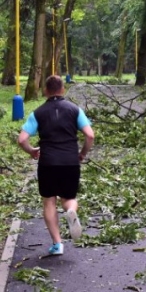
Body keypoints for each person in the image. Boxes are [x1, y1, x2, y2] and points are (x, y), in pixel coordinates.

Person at [17, 75, 95, 256]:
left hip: (48, 162)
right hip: (70, 161)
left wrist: (32, 151)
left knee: (49, 201)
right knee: (68, 197)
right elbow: (90, 135)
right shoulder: (75, 110)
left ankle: (57, 244)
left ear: (45, 91)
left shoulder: (37, 113)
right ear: (63, 89)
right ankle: (70, 211)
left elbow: (22, 139)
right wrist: (82, 154)